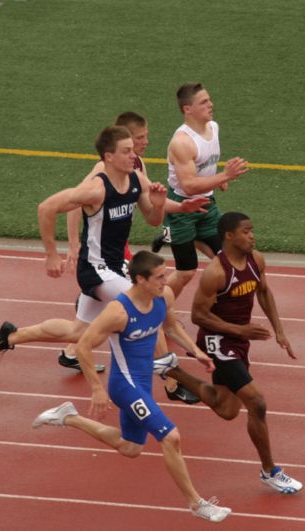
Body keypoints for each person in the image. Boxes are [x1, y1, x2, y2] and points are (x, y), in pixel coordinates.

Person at [32, 251, 231, 523]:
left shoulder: (161, 298)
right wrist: (96, 389)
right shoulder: (118, 311)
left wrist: (196, 351)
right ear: (140, 279)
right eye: (160, 277)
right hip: (124, 386)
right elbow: (83, 345)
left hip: (143, 384)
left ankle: (68, 416)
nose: (166, 281)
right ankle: (197, 504)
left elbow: (171, 328)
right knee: (170, 437)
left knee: (130, 447)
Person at [0, 125, 201, 366]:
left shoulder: (136, 179)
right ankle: (166, 370)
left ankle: (10, 335)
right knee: (146, 298)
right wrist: (52, 254)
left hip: (117, 267)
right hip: (95, 270)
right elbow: (46, 207)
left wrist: (164, 205)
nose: (133, 156)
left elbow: (153, 220)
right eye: (126, 151)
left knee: (78, 332)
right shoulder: (96, 189)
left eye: (132, 151)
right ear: (109, 156)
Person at [58, 112, 206, 404]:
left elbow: (151, 200)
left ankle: (34, 341)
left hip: (117, 253)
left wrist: (182, 207)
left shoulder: (136, 166)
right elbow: (74, 203)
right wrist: (73, 244)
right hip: (106, 257)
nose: (146, 142)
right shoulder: (104, 168)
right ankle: (172, 381)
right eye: (140, 138)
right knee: (147, 304)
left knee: (81, 329)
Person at [154, 212, 304, 494]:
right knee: (256, 403)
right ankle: (270, 471)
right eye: (246, 232)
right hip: (217, 341)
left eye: (252, 230)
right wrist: (240, 331)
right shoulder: (216, 272)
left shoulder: (256, 260)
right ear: (229, 236)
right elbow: (198, 316)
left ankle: (170, 368)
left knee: (227, 409)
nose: (252, 236)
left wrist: (280, 331)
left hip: (237, 341)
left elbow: (264, 292)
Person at [162, 83, 249, 298]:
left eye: (209, 100)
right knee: (186, 272)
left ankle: (222, 310)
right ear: (187, 109)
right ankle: (155, 308)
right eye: (204, 102)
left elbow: (204, 165)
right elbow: (188, 185)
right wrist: (225, 176)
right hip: (181, 209)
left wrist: (217, 180)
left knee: (228, 259)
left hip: (207, 206)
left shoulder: (213, 128)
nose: (211, 104)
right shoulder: (182, 142)